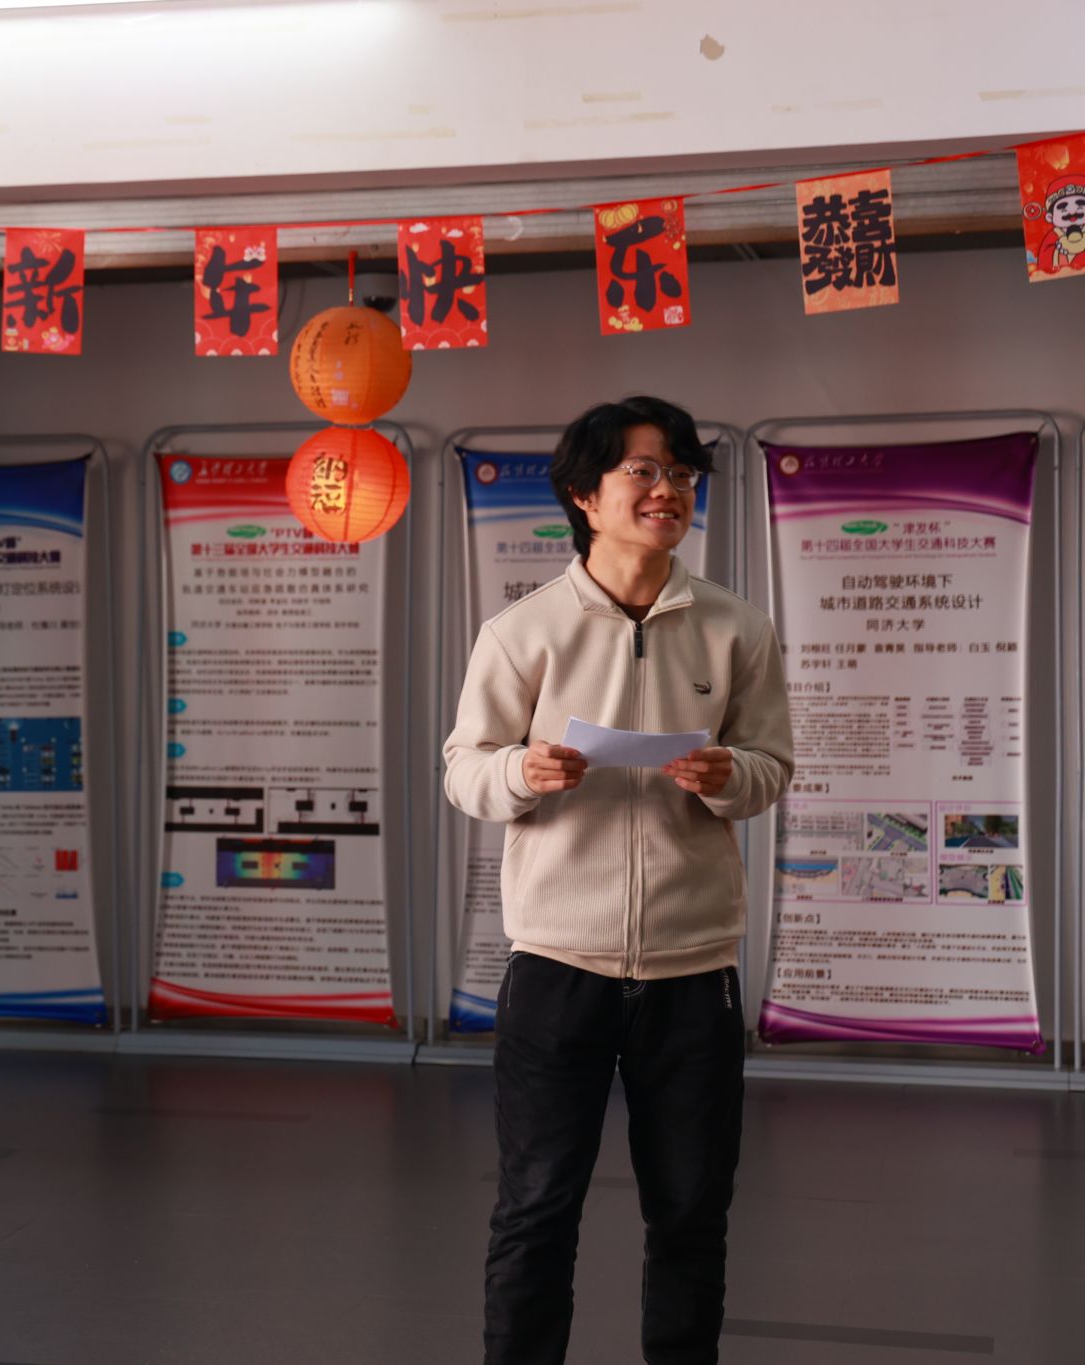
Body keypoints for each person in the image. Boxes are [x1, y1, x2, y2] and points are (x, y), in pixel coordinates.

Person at [443, 397, 794, 1365]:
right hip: (557, 966)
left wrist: (727, 776)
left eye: (680, 473)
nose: (666, 490)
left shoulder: (735, 628)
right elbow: (463, 769)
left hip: (693, 972)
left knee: (690, 1214)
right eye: (642, 471)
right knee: (534, 1208)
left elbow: (771, 765)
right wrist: (522, 771)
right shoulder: (521, 631)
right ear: (582, 495)